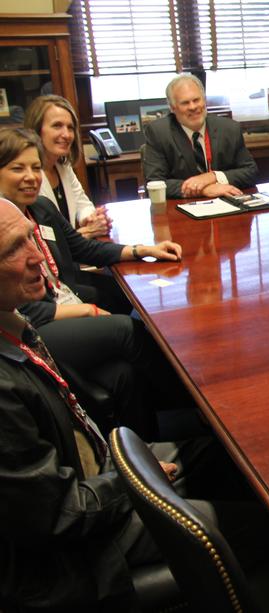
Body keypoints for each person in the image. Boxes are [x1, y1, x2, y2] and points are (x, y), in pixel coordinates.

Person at [0, 197, 269, 610]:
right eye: (14, 248)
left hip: (96, 470)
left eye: (32, 238)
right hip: (82, 545)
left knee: (234, 457)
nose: (37, 258)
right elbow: (58, 517)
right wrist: (132, 480)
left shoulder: (13, 323)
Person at [0, 127, 182, 436]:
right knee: (127, 330)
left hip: (65, 301)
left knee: (124, 373)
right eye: (18, 168)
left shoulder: (41, 208)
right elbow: (25, 313)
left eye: (35, 167)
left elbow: (83, 247)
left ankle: (146, 447)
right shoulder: (4, 228)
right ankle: (190, 400)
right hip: (35, 329)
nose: (31, 176)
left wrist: (141, 250)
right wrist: (87, 312)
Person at [143, 73, 257, 199]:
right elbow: (154, 184)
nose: (193, 107)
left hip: (228, 204)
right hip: (182, 210)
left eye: (196, 100)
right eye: (185, 103)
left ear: (204, 100)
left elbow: (250, 172)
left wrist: (212, 176)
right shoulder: (159, 133)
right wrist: (203, 190)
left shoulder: (229, 129)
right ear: (173, 108)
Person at [24, 94, 111, 238]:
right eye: (57, 126)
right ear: (36, 129)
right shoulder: (28, 177)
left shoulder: (63, 167)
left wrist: (94, 219)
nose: (67, 134)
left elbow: (83, 204)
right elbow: (44, 241)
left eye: (70, 128)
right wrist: (87, 232)